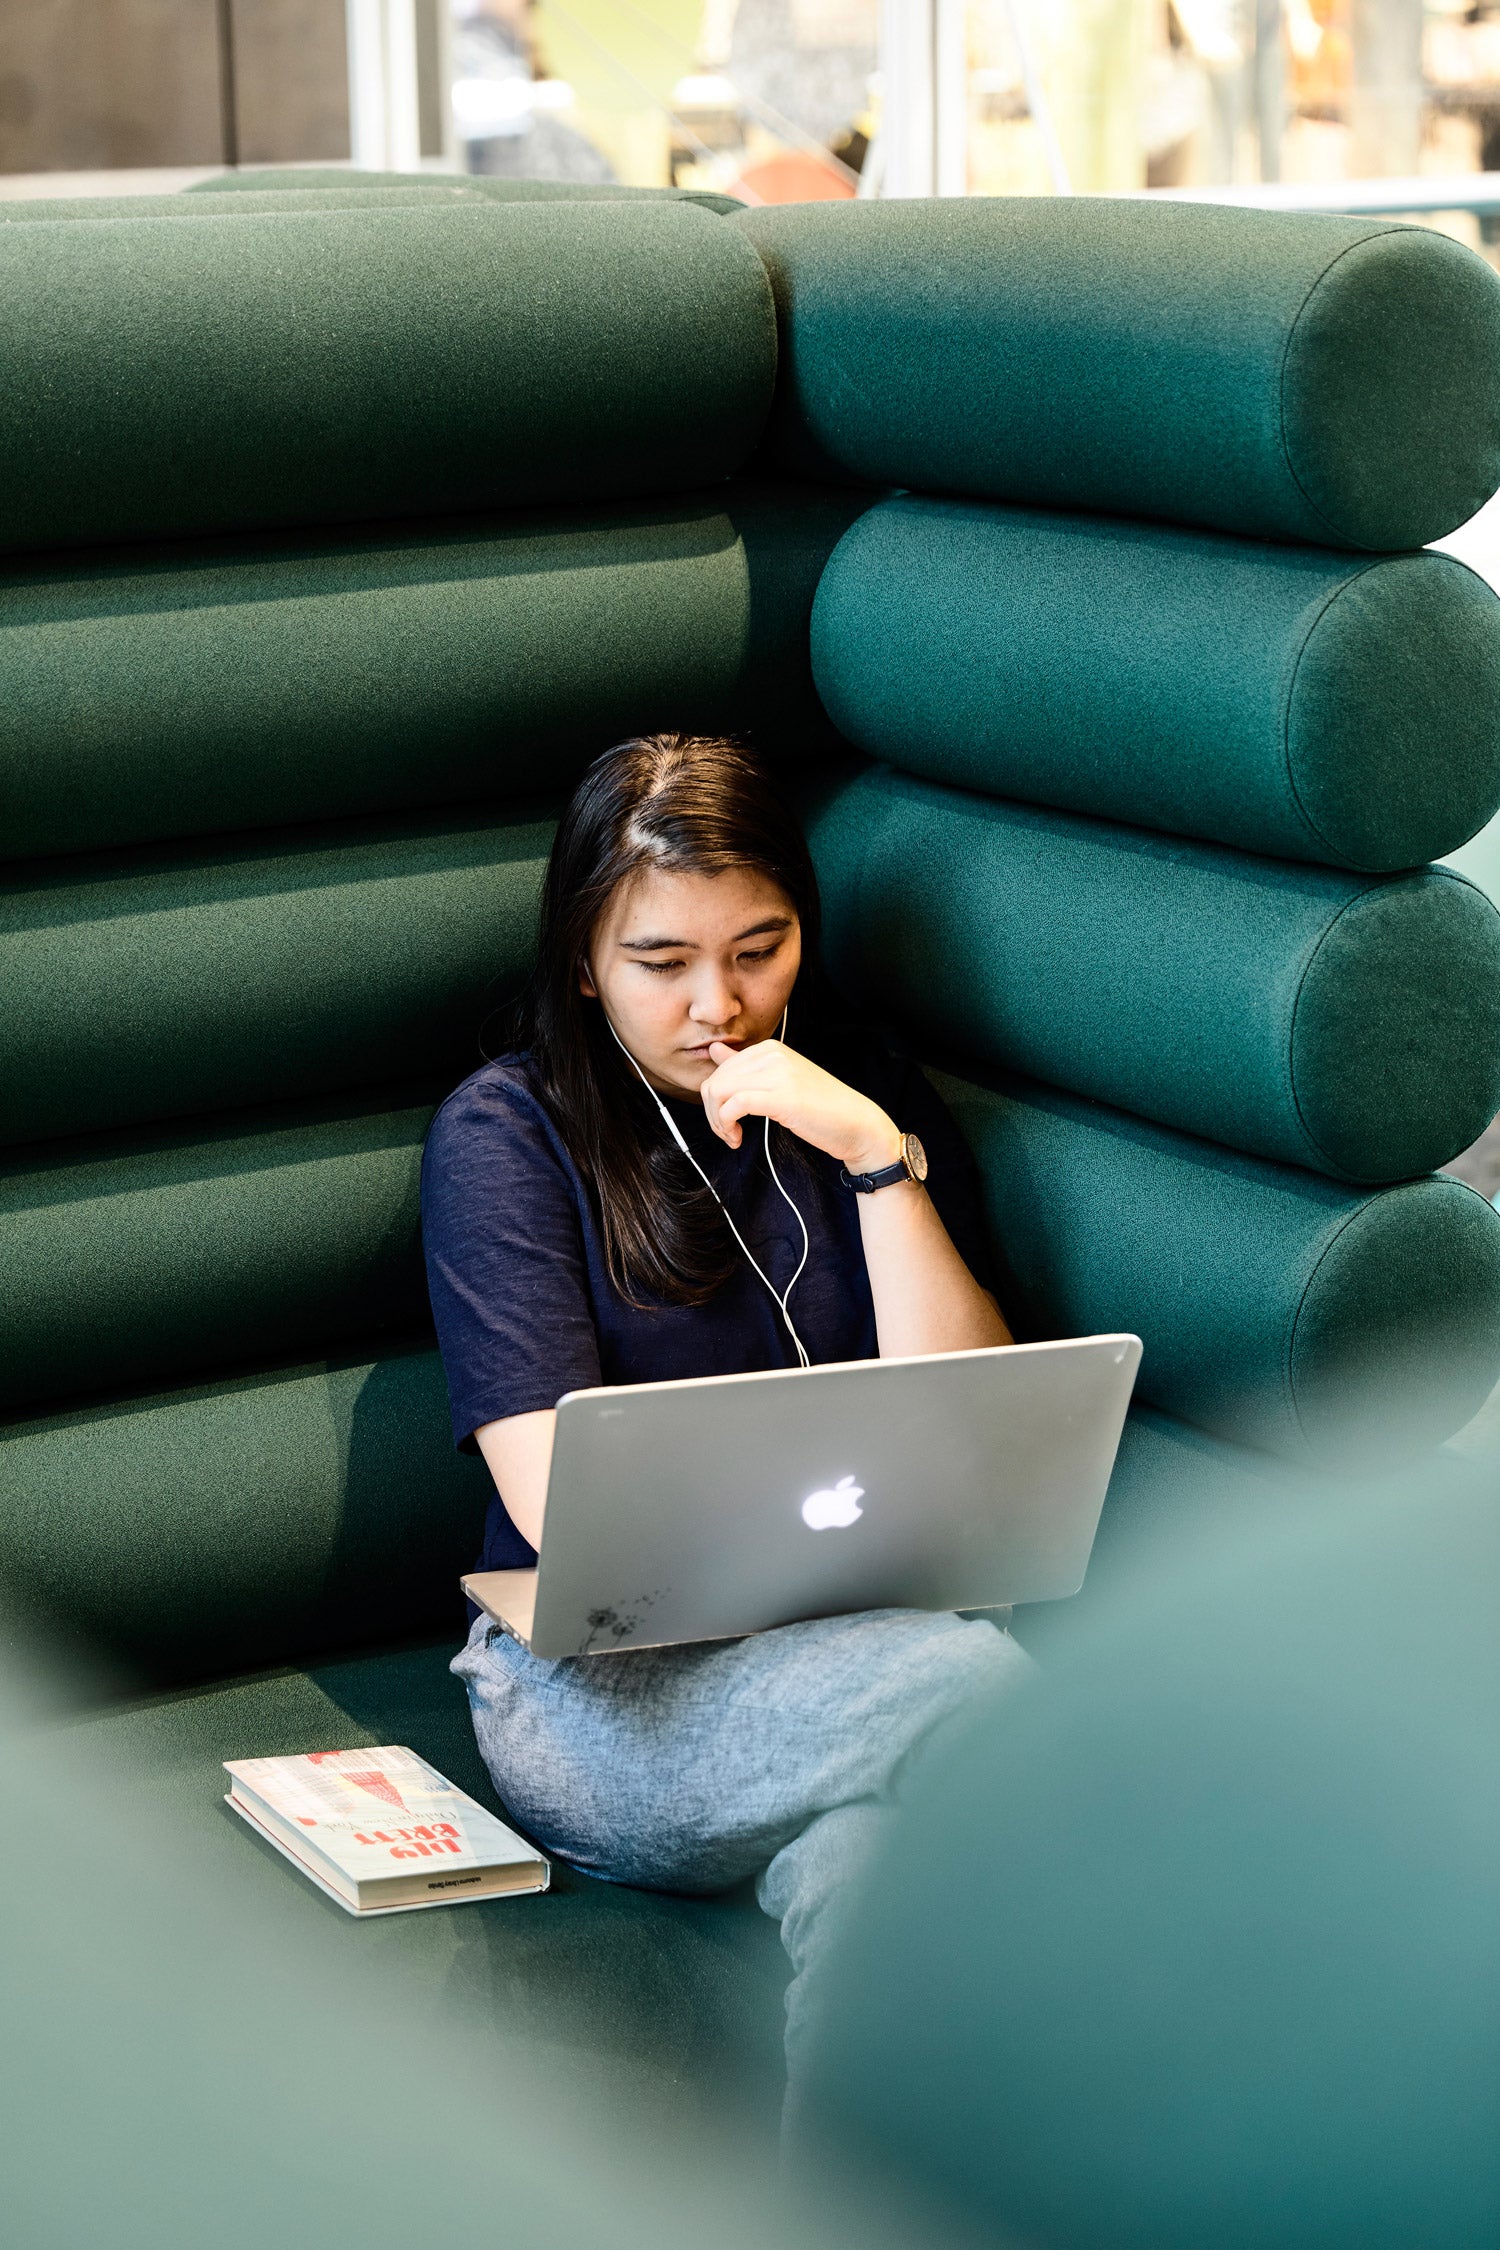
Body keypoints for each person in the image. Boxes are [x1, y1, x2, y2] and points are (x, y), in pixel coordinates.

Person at [421, 734, 1033, 2097]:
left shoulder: (851, 1089)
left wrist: (876, 1158)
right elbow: (559, 1500)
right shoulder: (506, 1135)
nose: (723, 1008)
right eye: (664, 963)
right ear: (583, 958)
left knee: (875, 1875)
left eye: (760, 949)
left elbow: (978, 1416)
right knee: (979, 1688)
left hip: (852, 1653)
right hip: (595, 1687)